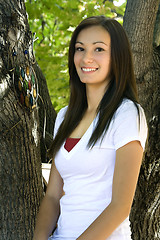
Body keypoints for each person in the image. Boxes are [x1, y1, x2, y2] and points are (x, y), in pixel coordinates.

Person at [33, 16, 148, 240]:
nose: (86, 57)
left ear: (117, 57)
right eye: (80, 48)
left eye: (98, 49)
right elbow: (53, 196)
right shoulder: (65, 116)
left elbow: (120, 206)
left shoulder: (127, 114)